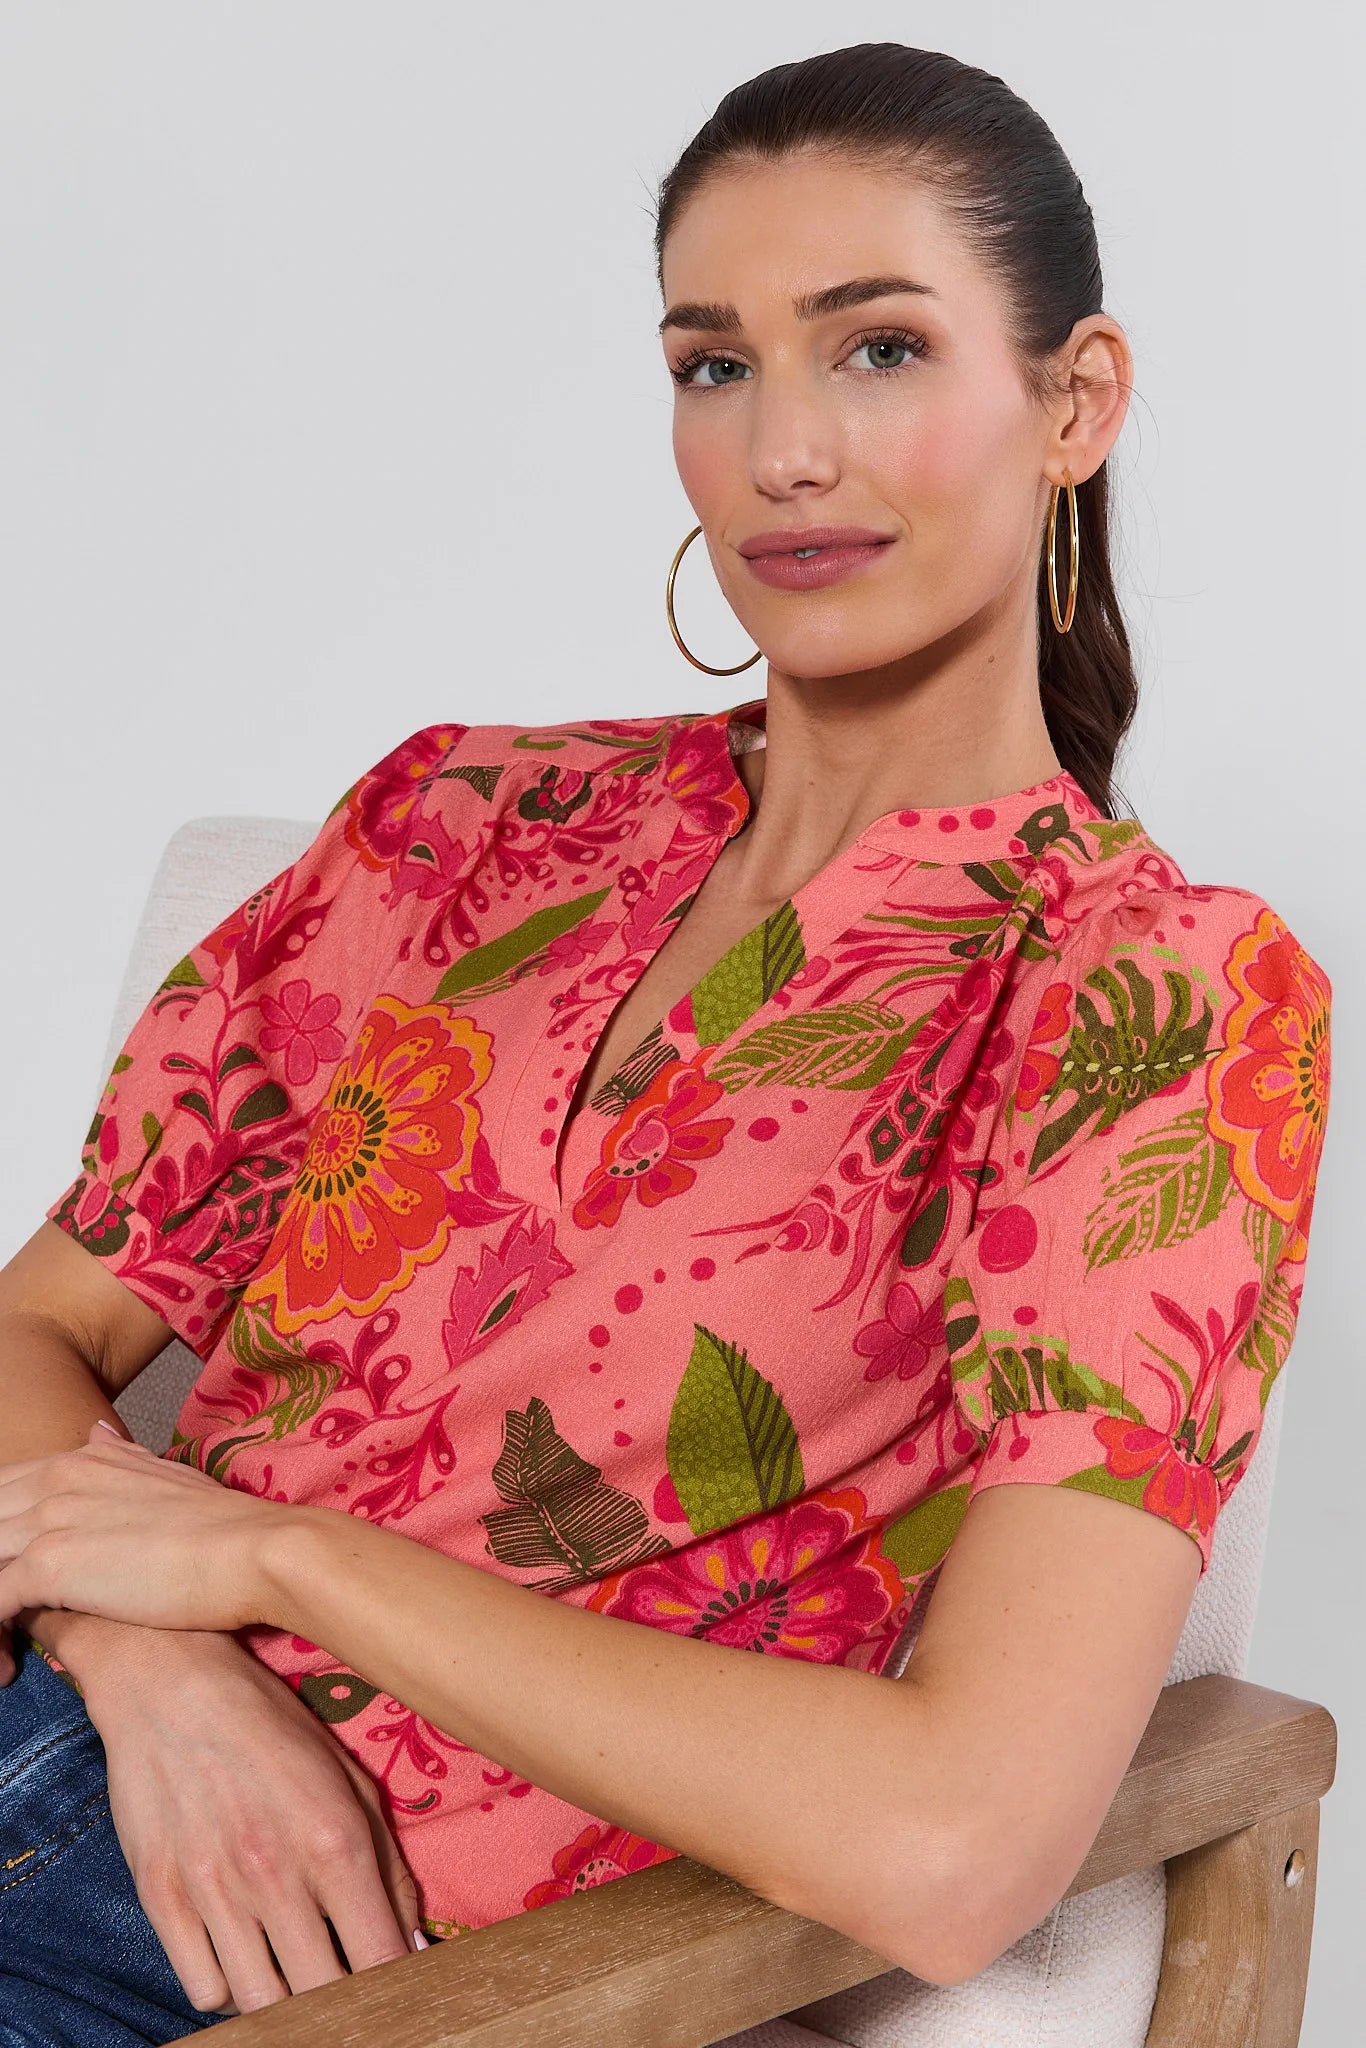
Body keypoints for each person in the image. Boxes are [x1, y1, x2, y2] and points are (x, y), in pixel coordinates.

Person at [0, 40, 1333, 2048]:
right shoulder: (460, 820)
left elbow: (956, 1842)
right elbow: (34, 1329)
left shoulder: (1146, 1000)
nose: (783, 449)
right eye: (714, 366)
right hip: (81, 1714)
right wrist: (145, 1650)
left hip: (265, 1962)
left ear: (1072, 402)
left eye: (875, 349)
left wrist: (275, 1558)